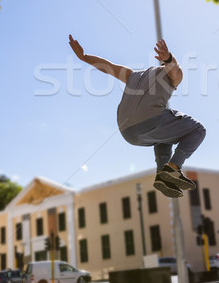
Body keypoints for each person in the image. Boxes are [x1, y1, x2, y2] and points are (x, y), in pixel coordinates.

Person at [69, 35, 206, 198]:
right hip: (149, 121)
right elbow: (175, 69)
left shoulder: (131, 75)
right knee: (198, 130)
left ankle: (163, 175)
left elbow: (108, 66)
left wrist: (84, 57)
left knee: (165, 135)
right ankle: (174, 167)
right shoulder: (174, 76)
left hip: (127, 132)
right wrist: (169, 58)